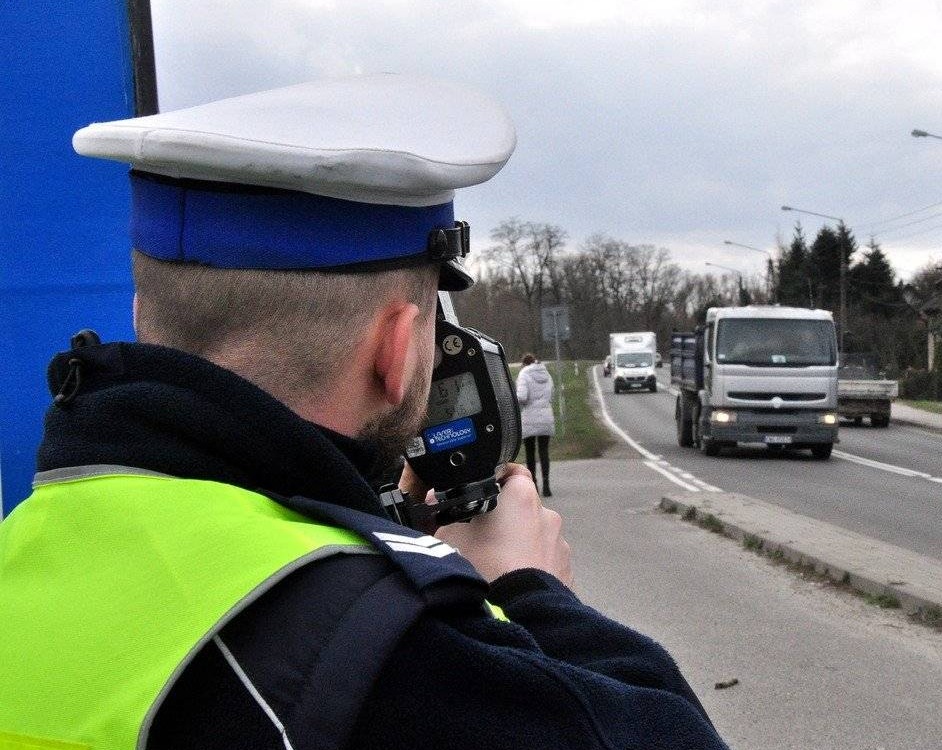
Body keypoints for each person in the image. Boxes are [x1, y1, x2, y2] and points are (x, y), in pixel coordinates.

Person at [0, 75, 729, 750]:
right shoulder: (391, 652)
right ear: (397, 347)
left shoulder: (22, 548)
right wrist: (530, 596)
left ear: (141, 312)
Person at [516, 352, 555, 497]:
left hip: (529, 418)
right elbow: (552, 394)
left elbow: (522, 396)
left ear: (524, 364)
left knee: (530, 453)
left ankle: (534, 486)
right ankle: (547, 485)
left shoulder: (524, 374)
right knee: (544, 451)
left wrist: (515, 397)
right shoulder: (546, 374)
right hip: (546, 417)